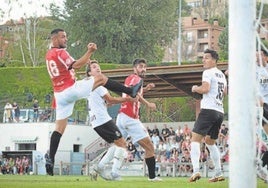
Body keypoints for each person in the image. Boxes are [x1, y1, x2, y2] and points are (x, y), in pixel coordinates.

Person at [45, 28, 142, 176]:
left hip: (59, 94)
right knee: (101, 78)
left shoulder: (49, 54)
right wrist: (89, 51)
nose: (66, 39)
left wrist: (81, 62)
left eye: (66, 36)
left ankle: (50, 159)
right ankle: (130, 90)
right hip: (70, 90)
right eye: (63, 37)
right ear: (54, 39)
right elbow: (76, 65)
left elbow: (68, 69)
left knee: (59, 129)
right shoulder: (60, 52)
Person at [86, 60, 137, 181]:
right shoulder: (98, 84)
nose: (98, 69)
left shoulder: (88, 85)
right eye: (94, 67)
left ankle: (99, 167)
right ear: (89, 73)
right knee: (122, 144)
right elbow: (111, 100)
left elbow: (105, 103)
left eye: (98, 67)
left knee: (116, 145)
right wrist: (127, 100)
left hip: (96, 122)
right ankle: (113, 173)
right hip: (102, 120)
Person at [113, 58, 162, 182]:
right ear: (134, 68)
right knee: (150, 147)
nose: (143, 69)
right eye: (140, 66)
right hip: (131, 118)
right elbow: (134, 95)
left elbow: (134, 92)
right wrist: (148, 104)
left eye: (145, 67)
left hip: (121, 116)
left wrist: (146, 89)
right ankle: (152, 177)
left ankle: (104, 168)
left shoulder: (130, 79)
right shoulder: (137, 78)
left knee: (119, 146)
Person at [189, 49, 227, 183]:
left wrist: (195, 88)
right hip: (219, 111)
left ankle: (195, 171)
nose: (203, 60)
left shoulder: (208, 72)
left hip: (208, 110)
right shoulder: (222, 75)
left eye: (206, 58)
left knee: (195, 140)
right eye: (203, 58)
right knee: (210, 142)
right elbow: (225, 93)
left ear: (214, 60)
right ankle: (218, 172)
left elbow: (205, 89)